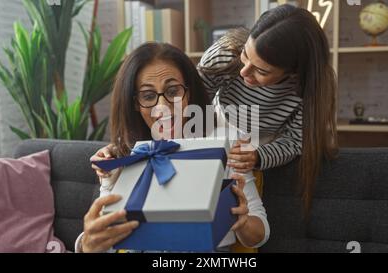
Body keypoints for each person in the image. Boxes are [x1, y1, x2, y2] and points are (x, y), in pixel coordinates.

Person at [76, 42, 269, 253]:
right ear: (135, 103)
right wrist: (86, 245)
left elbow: (259, 234)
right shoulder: (125, 153)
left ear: (189, 91)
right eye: (148, 96)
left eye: (173, 91)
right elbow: (108, 238)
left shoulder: (227, 141)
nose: (163, 107)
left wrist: (242, 220)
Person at [197, 4, 338, 210]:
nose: (244, 72)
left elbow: (294, 141)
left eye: (261, 71)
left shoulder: (312, 87)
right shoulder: (225, 52)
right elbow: (193, 104)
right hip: (216, 122)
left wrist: (258, 156)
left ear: (294, 72)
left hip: (268, 141)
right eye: (245, 55)